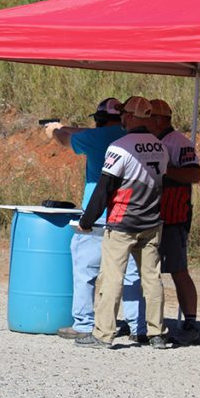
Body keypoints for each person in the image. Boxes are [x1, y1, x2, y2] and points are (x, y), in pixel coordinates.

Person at [46, 98, 146, 343]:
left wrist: (54, 130)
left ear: (99, 120)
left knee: (85, 270)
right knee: (132, 273)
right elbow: (88, 132)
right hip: (129, 213)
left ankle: (84, 323)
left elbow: (66, 141)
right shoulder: (131, 137)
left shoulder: (94, 138)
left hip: (97, 214)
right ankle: (138, 326)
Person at [75, 96, 171, 349]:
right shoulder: (160, 146)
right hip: (151, 221)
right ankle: (157, 333)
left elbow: (105, 187)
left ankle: (103, 334)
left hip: (122, 222)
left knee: (111, 278)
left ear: (128, 117)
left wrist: (87, 221)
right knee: (152, 279)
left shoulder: (120, 147)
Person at [149, 99, 200, 345]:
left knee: (178, 270)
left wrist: (164, 169)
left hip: (174, 216)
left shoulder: (178, 142)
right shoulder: (148, 141)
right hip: (149, 214)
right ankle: (146, 321)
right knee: (146, 271)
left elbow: (194, 174)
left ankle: (191, 321)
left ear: (159, 120)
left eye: (147, 118)